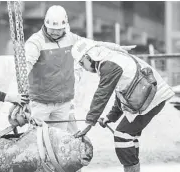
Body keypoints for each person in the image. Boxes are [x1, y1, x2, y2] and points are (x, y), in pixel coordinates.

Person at [25, 5, 134, 134]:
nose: (54, 32)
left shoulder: (71, 38)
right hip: (40, 103)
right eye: (51, 29)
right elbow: (26, 65)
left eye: (58, 29)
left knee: (60, 141)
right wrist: (21, 96)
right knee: (35, 139)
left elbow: (94, 44)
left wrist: (116, 47)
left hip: (63, 104)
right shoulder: (35, 42)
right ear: (45, 24)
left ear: (65, 26)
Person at [71, 39, 175, 172]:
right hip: (151, 97)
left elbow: (102, 95)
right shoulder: (111, 59)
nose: (83, 67)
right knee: (129, 137)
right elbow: (122, 91)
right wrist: (111, 117)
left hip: (152, 99)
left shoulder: (108, 65)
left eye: (81, 63)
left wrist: (89, 123)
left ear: (87, 57)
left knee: (122, 135)